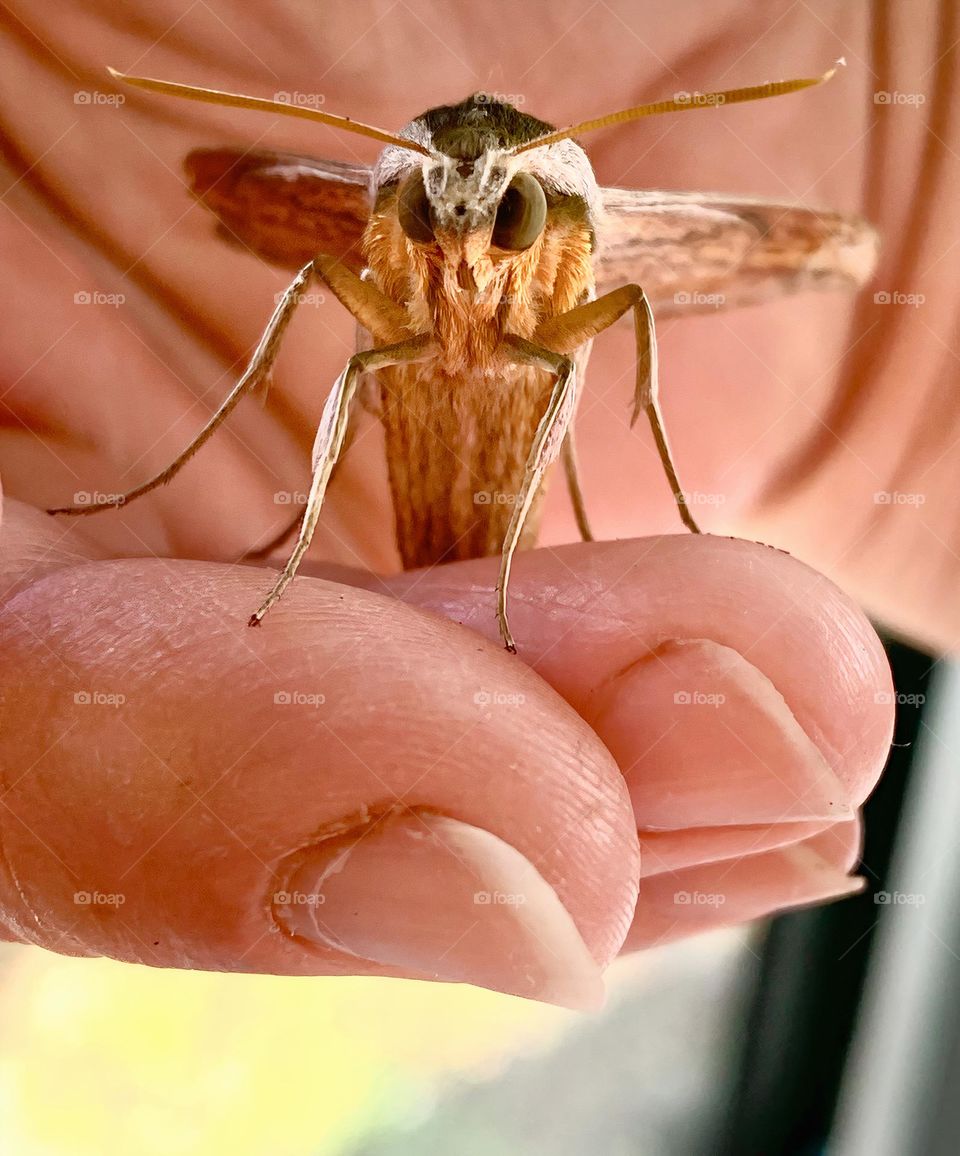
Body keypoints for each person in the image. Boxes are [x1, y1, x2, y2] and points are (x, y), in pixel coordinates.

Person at [0, 1, 945, 1007]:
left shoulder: (590, 246)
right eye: (429, 213)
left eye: (500, 217)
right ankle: (301, 532)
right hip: (410, 409)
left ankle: (496, 560)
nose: (460, 235)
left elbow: (614, 314)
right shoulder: (380, 225)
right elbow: (270, 219)